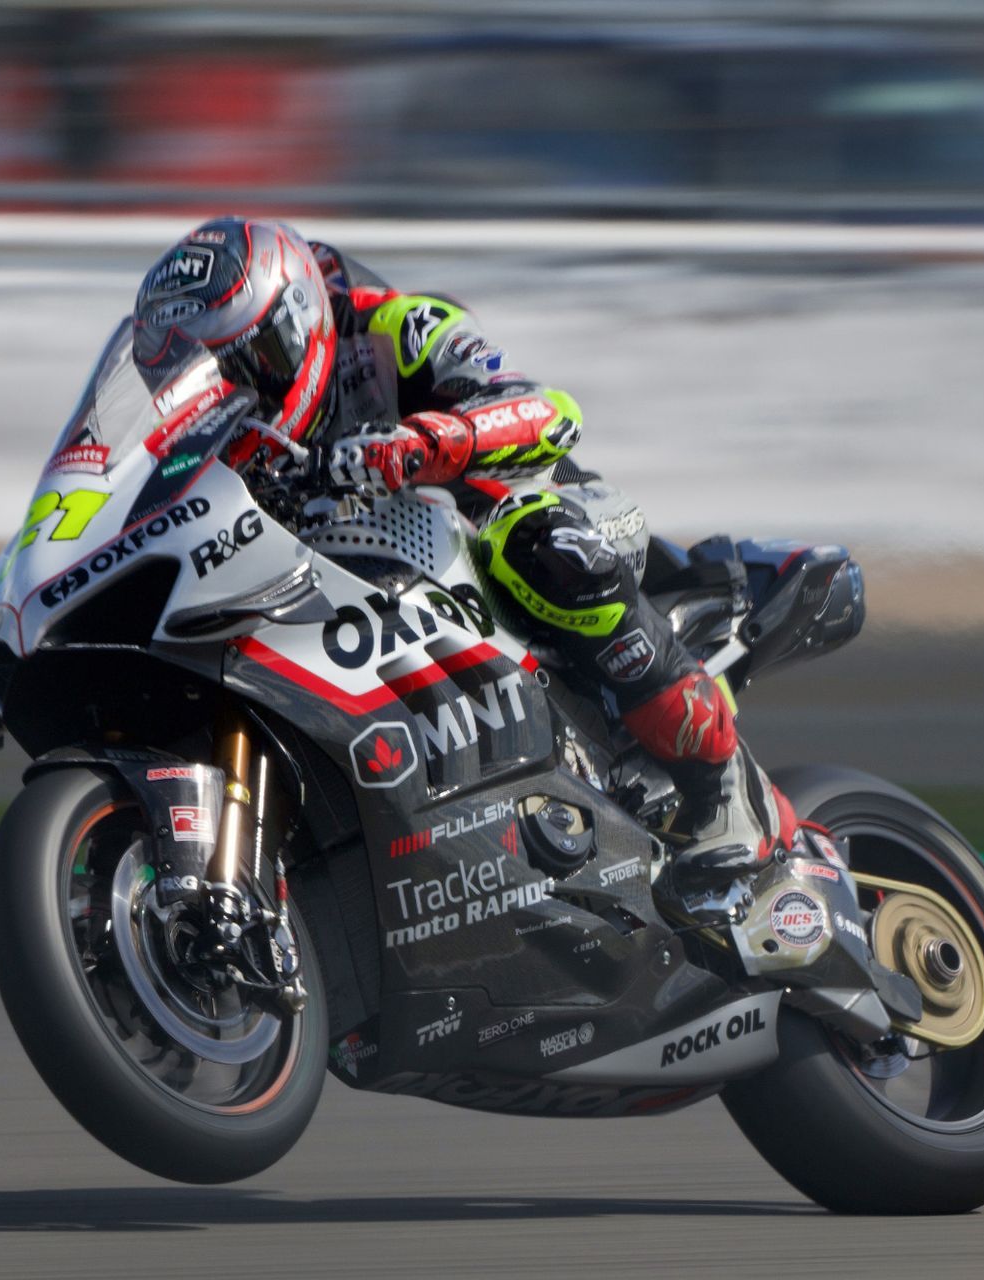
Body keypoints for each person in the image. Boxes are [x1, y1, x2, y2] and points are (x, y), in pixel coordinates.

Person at [130, 215, 795, 909]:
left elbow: (548, 412)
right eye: (213, 381)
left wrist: (421, 446)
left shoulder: (398, 328)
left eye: (250, 362)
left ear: (297, 321)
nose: (245, 394)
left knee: (532, 540)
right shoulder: (229, 446)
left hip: (537, 517)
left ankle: (721, 791)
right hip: (378, 585)